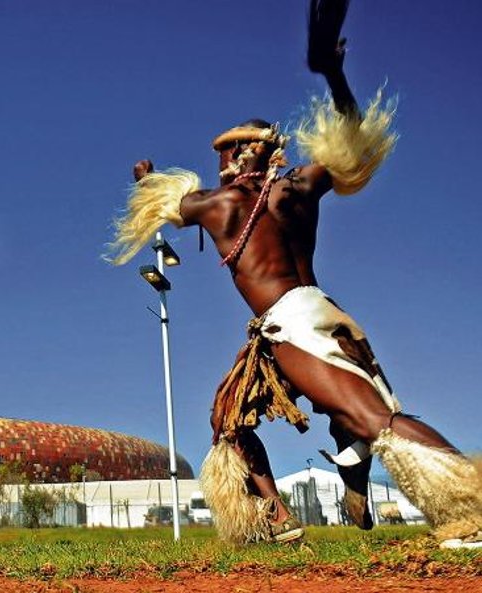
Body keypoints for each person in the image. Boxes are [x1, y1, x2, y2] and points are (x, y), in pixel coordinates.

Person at [107, 0, 481, 547]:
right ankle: (279, 517)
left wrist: (145, 179)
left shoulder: (220, 205)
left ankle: (468, 507)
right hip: (322, 313)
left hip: (290, 324)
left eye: (226, 150)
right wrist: (334, 74)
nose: (220, 160)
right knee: (227, 421)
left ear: (244, 154)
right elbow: (351, 138)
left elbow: (167, 204)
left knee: (373, 417)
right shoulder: (301, 189)